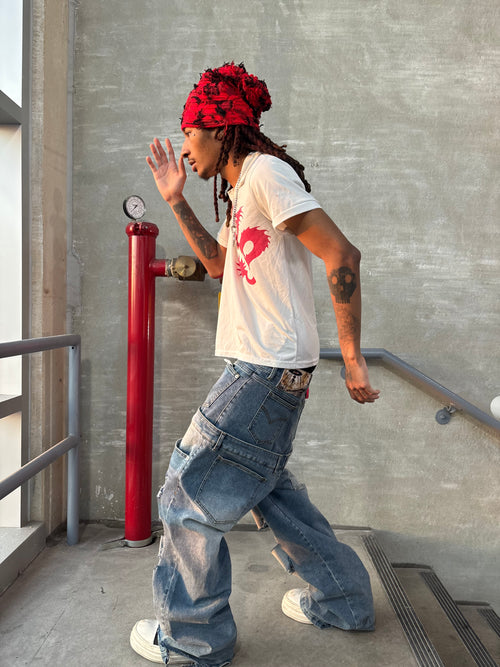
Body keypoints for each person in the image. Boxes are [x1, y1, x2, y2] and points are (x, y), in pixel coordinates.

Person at [130, 62, 380, 667]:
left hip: (263, 373)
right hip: (267, 374)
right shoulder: (243, 189)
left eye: (190, 132)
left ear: (220, 128)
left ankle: (195, 642)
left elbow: (341, 254)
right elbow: (219, 266)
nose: (184, 147)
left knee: (186, 497)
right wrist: (175, 201)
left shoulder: (267, 173)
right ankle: (346, 600)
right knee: (270, 493)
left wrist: (352, 358)